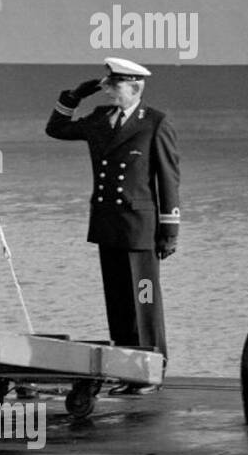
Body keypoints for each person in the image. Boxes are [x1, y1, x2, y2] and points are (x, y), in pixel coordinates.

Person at [45, 57, 180, 394]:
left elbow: (168, 180)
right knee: (119, 303)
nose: (107, 90)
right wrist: (73, 97)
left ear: (134, 87)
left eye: (114, 85)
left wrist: (169, 231)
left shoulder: (155, 123)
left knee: (144, 301)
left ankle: (150, 369)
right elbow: (56, 129)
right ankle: (125, 370)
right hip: (108, 225)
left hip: (140, 229)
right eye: (106, 84)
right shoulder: (99, 119)